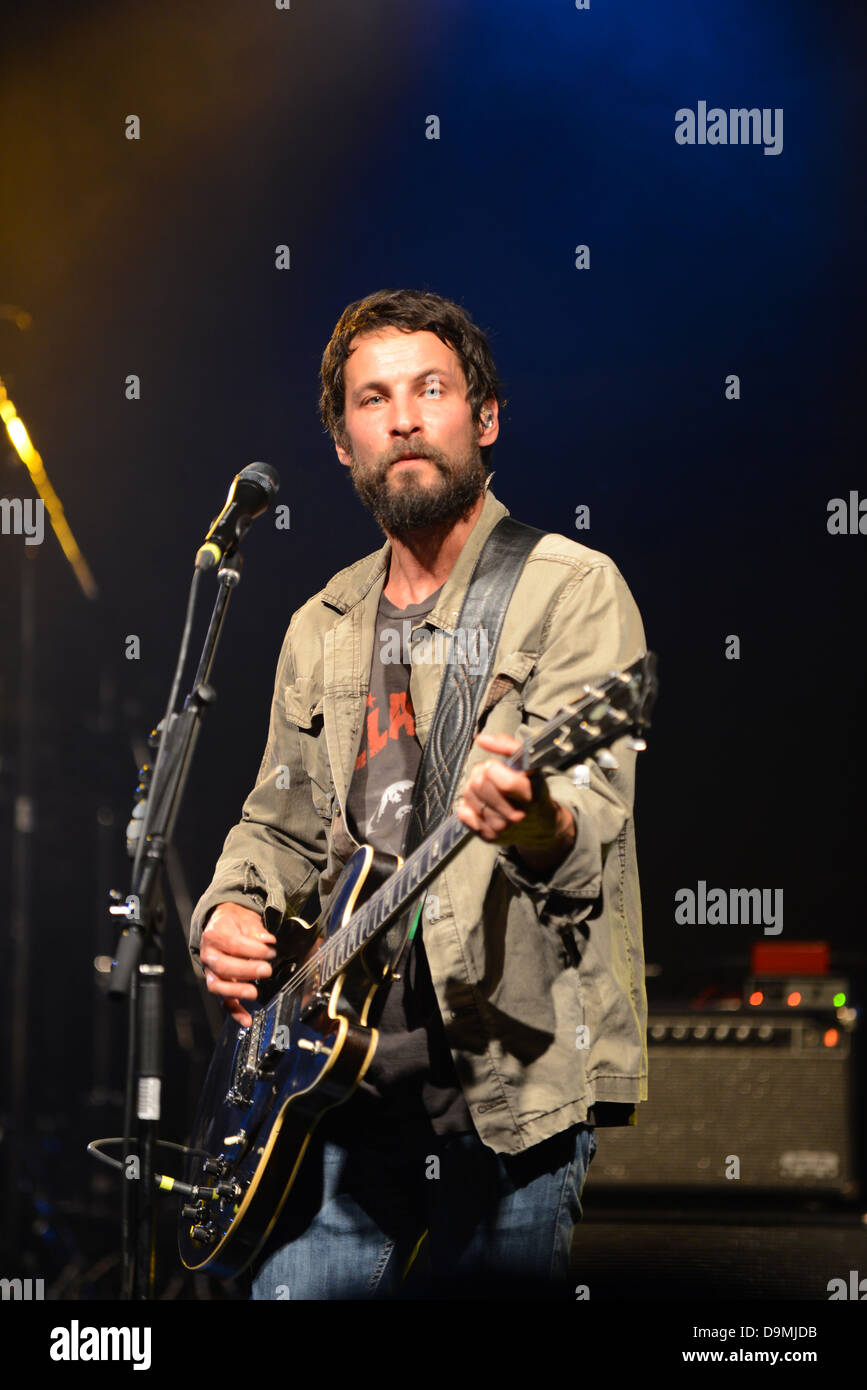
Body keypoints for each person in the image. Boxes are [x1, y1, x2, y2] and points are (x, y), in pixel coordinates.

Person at [187, 288, 648, 1299]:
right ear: (344, 444)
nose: (402, 417)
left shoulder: (570, 588)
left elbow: (588, 828)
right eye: (372, 399)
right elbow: (276, 820)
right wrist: (226, 910)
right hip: (336, 1095)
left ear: (483, 419)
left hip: (510, 1085)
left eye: (430, 390)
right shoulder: (323, 622)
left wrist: (533, 814)